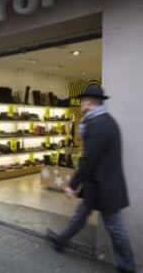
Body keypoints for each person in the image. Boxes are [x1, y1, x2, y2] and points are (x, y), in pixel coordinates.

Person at [47, 84, 135, 273]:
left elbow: (89, 158)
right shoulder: (102, 121)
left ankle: (127, 267)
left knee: (114, 227)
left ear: (88, 102)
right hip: (99, 184)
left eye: (82, 103)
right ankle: (61, 240)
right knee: (81, 216)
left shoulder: (99, 124)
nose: (81, 106)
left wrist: (72, 185)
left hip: (105, 186)